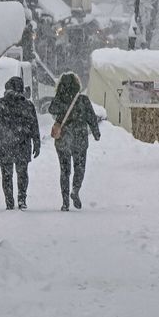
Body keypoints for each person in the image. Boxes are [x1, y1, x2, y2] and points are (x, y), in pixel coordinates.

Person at [0, 76, 40, 210]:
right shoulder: (28, 105)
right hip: (23, 144)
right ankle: (22, 199)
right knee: (22, 173)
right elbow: (34, 126)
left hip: (5, 144)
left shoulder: (2, 103)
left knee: (6, 175)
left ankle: (9, 202)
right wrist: (37, 142)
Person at [49, 72, 102, 212]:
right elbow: (91, 117)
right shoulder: (83, 100)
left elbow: (51, 109)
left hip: (63, 139)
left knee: (64, 171)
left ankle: (65, 201)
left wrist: (60, 100)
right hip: (80, 138)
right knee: (80, 167)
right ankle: (75, 189)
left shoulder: (59, 98)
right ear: (77, 84)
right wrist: (96, 133)